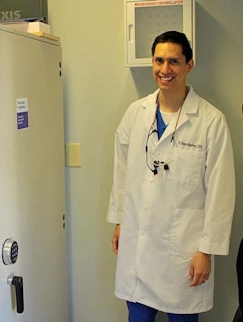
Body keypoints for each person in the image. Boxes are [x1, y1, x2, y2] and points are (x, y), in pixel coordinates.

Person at [107, 31, 235, 322]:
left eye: (174, 61)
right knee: (138, 317)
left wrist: (207, 250)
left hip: (184, 251)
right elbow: (121, 170)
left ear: (189, 65)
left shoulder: (211, 121)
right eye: (159, 60)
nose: (165, 70)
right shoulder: (135, 113)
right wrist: (119, 221)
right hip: (139, 243)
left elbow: (221, 191)